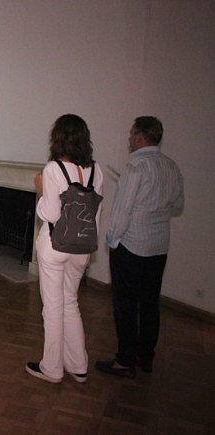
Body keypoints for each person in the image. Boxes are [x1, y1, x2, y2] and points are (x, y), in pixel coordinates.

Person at [96, 116, 184, 378]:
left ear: (140, 136)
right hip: (159, 246)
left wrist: (112, 240)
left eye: (131, 133)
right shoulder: (171, 166)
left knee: (125, 305)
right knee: (149, 303)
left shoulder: (135, 166)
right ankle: (146, 357)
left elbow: (122, 211)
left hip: (131, 245)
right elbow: (177, 204)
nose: (129, 138)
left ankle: (125, 361)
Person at [26, 114, 104, 383]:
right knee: (71, 302)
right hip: (82, 248)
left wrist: (40, 191)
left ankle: (52, 368)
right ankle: (78, 365)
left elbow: (49, 213)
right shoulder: (96, 170)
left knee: (53, 307)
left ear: (57, 137)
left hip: (55, 246)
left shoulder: (53, 169)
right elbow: (95, 215)